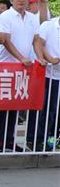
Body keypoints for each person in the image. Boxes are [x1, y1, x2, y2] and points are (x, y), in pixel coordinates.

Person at [0, 0, 48, 151]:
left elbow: (36, 40)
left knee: (15, 105)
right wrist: (21, 57)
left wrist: (40, 57)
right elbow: (6, 41)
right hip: (6, 67)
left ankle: (9, 140)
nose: (21, 0)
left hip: (23, 69)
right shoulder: (6, 16)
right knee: (3, 106)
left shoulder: (31, 18)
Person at [34, 12, 60, 151]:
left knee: (56, 112)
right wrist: (48, 58)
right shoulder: (49, 25)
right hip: (50, 75)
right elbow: (39, 43)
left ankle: (53, 139)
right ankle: (40, 140)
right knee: (49, 110)